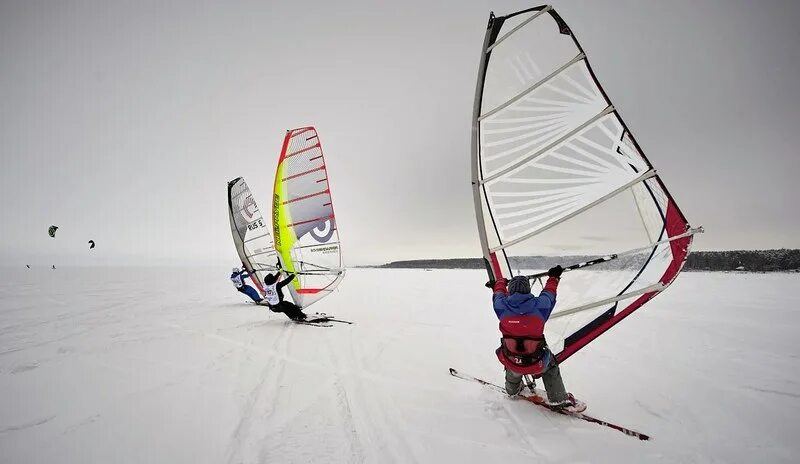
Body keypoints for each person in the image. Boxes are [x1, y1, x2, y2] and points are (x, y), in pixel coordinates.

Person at [487, 265, 584, 412]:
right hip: (536, 362)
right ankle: (559, 399)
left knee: (512, 361)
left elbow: (498, 294)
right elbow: (549, 293)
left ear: (510, 291)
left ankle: (512, 390)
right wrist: (554, 277)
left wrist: (499, 283)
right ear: (528, 290)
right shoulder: (540, 306)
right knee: (550, 365)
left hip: (510, 359)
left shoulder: (501, 307)